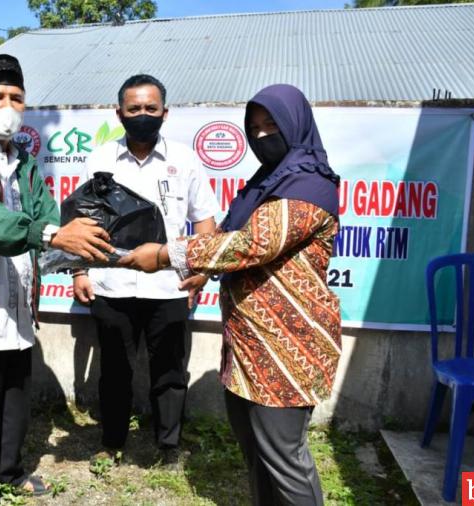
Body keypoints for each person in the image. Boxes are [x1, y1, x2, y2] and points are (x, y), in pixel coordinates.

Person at [120, 84, 342, 506]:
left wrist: (170, 254)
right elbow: (226, 236)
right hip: (248, 346)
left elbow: (253, 245)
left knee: (284, 458)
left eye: (271, 125)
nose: (261, 136)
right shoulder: (266, 183)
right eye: (253, 128)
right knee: (256, 452)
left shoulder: (309, 185)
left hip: (286, 348)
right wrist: (201, 268)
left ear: (296, 125)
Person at [0, 54, 113, 505]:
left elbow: (49, 219)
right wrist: (51, 232)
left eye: (16, 97)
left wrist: (86, 251)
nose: (8, 105)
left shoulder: (26, 163)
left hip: (16, 308)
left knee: (13, 403)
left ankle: (7, 475)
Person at [72, 74, 220, 463]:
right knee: (115, 372)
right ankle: (112, 443)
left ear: (165, 113)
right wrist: (79, 272)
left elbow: (205, 222)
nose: (142, 115)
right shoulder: (100, 158)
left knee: (170, 372)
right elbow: (82, 221)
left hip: (168, 288)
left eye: (150, 109)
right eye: (134, 109)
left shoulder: (185, 160)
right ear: (118, 113)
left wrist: (201, 271)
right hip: (112, 284)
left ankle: (168, 445)